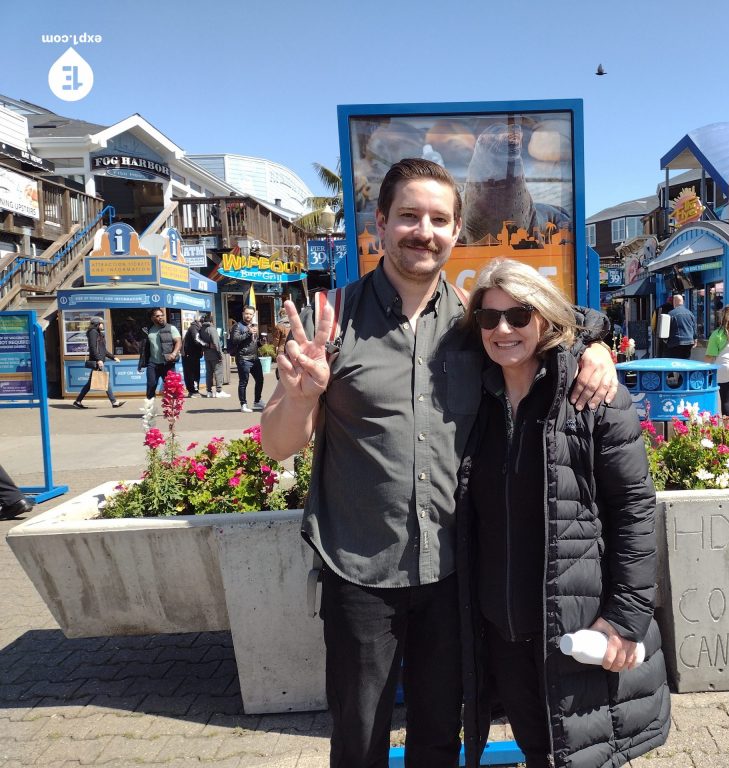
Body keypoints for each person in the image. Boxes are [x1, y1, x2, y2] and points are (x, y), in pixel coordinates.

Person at [260, 158, 617, 768]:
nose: (423, 231)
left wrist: (599, 348)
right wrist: (301, 397)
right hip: (360, 570)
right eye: (408, 216)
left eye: (438, 219)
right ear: (380, 223)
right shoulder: (334, 320)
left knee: (438, 739)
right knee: (360, 739)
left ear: (456, 233)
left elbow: (548, 326)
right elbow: (277, 444)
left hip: (453, 574)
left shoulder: (473, 321)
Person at [457, 259, 670, 768]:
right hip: (504, 630)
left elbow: (634, 509)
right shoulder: (474, 398)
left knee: (584, 757)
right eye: (490, 319)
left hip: (577, 624)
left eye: (519, 315)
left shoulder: (592, 395)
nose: (503, 329)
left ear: (546, 318)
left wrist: (625, 618)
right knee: (538, 752)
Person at [73, 316, 125, 409]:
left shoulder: (98, 333)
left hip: (98, 361)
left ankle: (78, 401)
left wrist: (113, 357)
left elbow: (103, 350)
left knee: (90, 383)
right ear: (97, 324)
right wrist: (98, 359)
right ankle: (114, 402)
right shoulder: (93, 332)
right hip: (97, 362)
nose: (102, 324)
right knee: (106, 381)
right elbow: (93, 348)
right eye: (101, 323)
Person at [137, 307, 181, 404]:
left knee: (170, 387)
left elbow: (178, 342)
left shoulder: (171, 328)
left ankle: (171, 409)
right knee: (151, 385)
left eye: (162, 315)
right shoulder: (148, 330)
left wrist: (174, 353)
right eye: (157, 316)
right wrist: (141, 362)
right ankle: (150, 408)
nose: (160, 317)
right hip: (153, 363)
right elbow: (144, 348)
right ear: (152, 318)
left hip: (167, 363)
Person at [229, 305, 264, 413]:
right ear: (243, 314)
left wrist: (260, 343)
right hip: (244, 358)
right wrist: (248, 333)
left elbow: (253, 342)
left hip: (254, 357)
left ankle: (257, 401)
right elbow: (234, 340)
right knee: (243, 382)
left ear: (253, 315)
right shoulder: (237, 326)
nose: (248, 316)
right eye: (246, 313)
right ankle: (243, 404)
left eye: (250, 314)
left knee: (260, 379)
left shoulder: (253, 326)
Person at [198, 313, 229, 399]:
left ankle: (209, 391)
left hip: (207, 354)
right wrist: (220, 354)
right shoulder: (212, 329)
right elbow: (216, 343)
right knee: (218, 372)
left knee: (209, 373)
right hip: (214, 354)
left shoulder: (201, 329)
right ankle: (219, 391)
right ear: (212, 321)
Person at [665, 293, 697, 359]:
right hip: (688, 342)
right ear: (683, 302)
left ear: (674, 302)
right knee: (686, 361)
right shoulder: (690, 313)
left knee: (675, 363)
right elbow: (694, 327)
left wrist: (665, 340)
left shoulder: (671, 314)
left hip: (675, 342)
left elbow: (665, 330)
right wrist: (695, 339)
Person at [181, 319, 204, 397]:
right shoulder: (194, 328)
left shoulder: (196, 328)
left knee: (194, 373)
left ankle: (194, 390)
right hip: (189, 354)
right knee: (192, 373)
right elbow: (197, 340)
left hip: (193, 354)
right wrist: (207, 344)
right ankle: (193, 391)